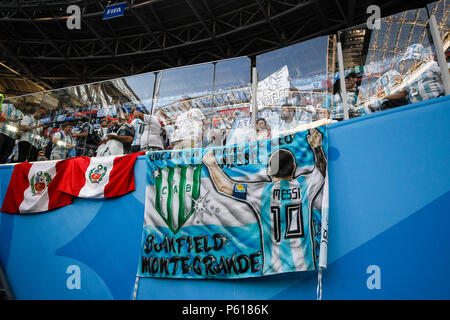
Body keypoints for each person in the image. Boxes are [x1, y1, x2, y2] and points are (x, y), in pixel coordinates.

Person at [202, 128, 327, 273]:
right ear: (293, 168)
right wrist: (317, 147)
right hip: (304, 264)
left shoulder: (260, 191)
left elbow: (225, 186)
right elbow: (321, 170)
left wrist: (211, 164)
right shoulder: (304, 185)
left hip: (272, 268)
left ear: (270, 170)